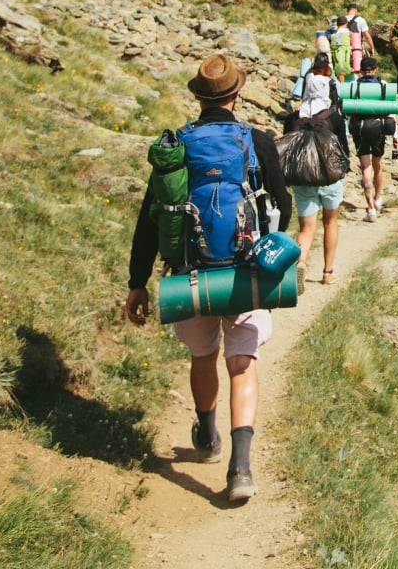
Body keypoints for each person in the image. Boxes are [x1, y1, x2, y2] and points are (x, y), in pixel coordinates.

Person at [124, 54, 292, 504]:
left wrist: (137, 282)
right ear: (236, 95)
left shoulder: (176, 145)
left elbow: (150, 219)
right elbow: (283, 205)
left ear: (198, 97)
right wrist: (270, 250)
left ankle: (209, 435)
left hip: (189, 274)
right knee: (242, 363)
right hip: (246, 274)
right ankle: (240, 466)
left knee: (203, 357)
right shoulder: (256, 140)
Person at [290, 58, 347, 284]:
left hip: (303, 176)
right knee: (330, 222)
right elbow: (343, 147)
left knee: (306, 227)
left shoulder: (295, 118)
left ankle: (301, 261)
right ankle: (328, 272)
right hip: (330, 176)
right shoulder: (333, 116)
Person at [350, 55, 394, 222]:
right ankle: (377, 198)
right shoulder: (383, 85)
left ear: (360, 70)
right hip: (378, 129)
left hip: (360, 128)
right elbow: (389, 110)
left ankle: (370, 209)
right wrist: (395, 136)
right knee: (378, 165)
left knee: (365, 167)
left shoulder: (355, 85)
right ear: (376, 70)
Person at [344, 3, 368, 75]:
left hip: (344, 46)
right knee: (358, 66)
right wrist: (372, 47)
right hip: (356, 47)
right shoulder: (360, 20)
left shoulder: (341, 20)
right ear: (355, 10)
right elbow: (367, 36)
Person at [327, 16, 353, 80]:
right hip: (348, 66)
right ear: (346, 23)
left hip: (337, 67)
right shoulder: (348, 33)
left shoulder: (333, 37)